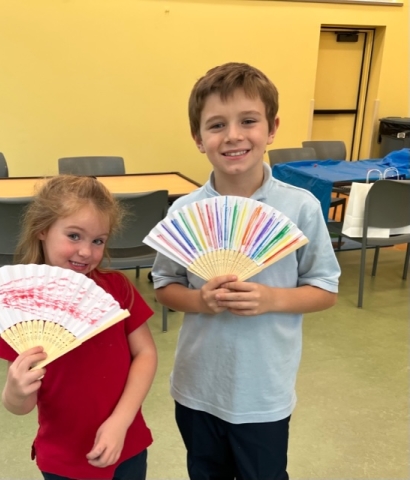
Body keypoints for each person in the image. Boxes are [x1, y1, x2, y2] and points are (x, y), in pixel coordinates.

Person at [152, 62, 341, 480]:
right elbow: (164, 286)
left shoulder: (300, 207)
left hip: (263, 391)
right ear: (198, 139)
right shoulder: (184, 211)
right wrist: (200, 300)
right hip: (198, 387)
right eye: (216, 125)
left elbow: (325, 289)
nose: (234, 135)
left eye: (248, 121)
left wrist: (272, 298)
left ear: (272, 129)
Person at [0, 175, 158, 480]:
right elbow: (21, 405)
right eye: (74, 236)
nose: (86, 251)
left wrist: (120, 422)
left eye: (98, 241)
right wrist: (14, 392)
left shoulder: (118, 289)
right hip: (63, 458)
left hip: (126, 443)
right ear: (42, 230)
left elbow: (146, 354)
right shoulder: (19, 306)